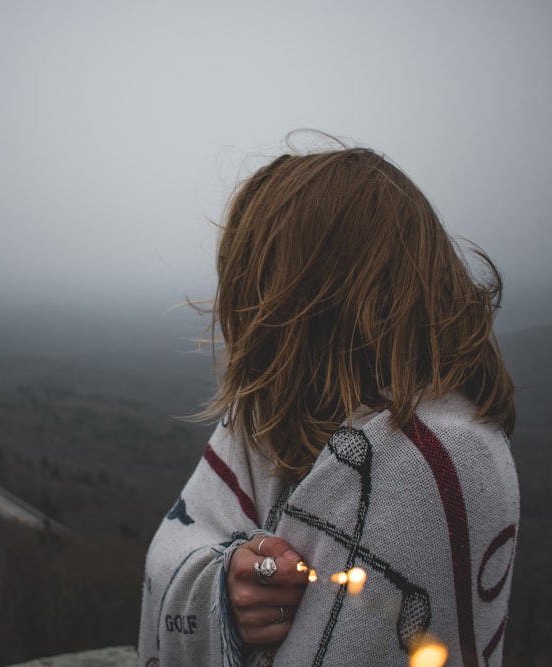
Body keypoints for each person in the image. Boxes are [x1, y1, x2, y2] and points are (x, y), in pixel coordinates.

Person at [138, 141, 519, 667]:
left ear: (302, 303)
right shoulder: (265, 420)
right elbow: (179, 538)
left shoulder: (431, 457)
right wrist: (228, 589)